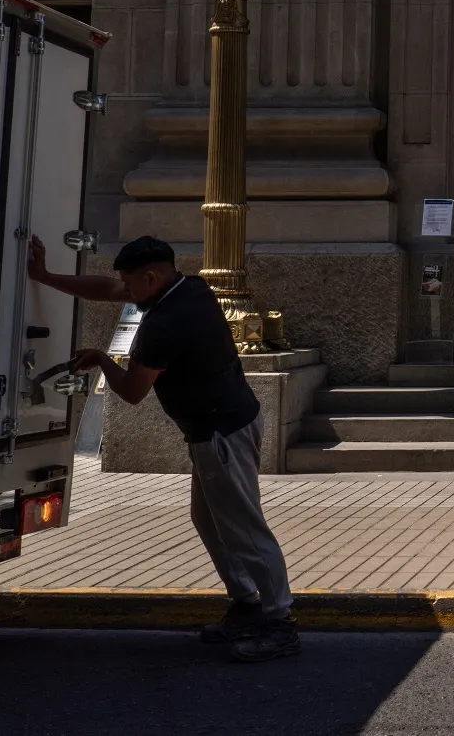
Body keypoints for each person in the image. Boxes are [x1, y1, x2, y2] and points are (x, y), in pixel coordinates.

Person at [27, 233, 297, 661]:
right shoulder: (191, 288)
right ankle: (248, 604)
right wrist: (45, 277)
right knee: (210, 521)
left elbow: (133, 391)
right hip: (223, 426)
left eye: (132, 285)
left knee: (243, 527)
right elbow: (109, 289)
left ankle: (279, 621)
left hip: (220, 434)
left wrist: (101, 359)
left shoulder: (164, 325)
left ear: (151, 277)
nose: (127, 294)